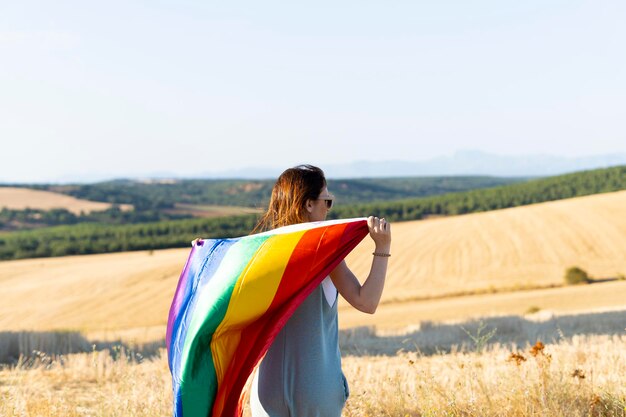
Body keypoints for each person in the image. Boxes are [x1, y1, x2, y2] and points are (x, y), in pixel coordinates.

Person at [249, 164, 391, 417]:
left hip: (265, 388)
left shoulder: (260, 251)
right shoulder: (322, 253)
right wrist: (382, 247)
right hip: (315, 387)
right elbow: (366, 302)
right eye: (327, 201)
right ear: (308, 204)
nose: (328, 209)